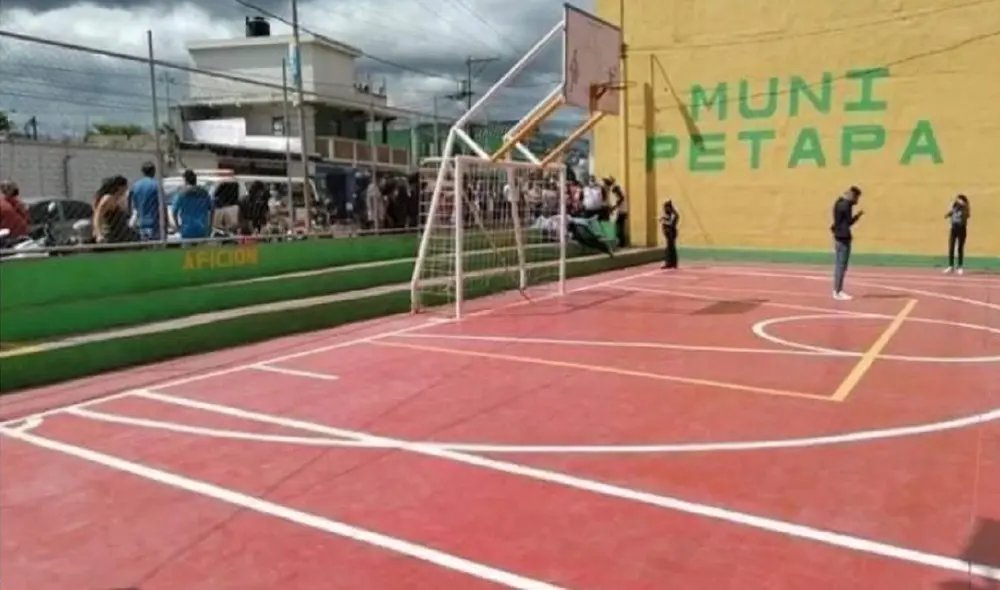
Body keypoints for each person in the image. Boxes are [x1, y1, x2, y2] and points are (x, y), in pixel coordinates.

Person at [830, 185, 864, 300]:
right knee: (841, 265)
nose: (857, 201)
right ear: (852, 196)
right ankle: (838, 291)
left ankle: (837, 290)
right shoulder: (846, 205)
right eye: (856, 198)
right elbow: (849, 222)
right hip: (843, 237)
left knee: (839, 265)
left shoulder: (838, 203)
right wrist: (858, 216)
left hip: (837, 236)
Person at [170, 169, 213, 240]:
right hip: (201, 229)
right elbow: (212, 209)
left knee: (187, 250)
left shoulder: (181, 194)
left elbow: (174, 211)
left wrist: (177, 227)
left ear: (186, 180)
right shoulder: (204, 193)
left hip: (187, 229)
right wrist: (210, 226)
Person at [129, 161, 163, 240]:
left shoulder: (135, 186)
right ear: (153, 171)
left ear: (142, 172)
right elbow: (161, 206)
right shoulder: (156, 185)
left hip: (141, 223)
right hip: (154, 223)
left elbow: (134, 207)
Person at [92, 175, 132, 243]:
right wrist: (99, 234)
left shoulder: (118, 199)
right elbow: (97, 216)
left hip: (120, 233)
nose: (127, 188)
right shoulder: (108, 199)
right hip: (110, 234)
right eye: (125, 186)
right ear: (120, 187)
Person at [943, 194, 970, 275]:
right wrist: (948, 214)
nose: (958, 201)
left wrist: (963, 207)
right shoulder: (955, 206)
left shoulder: (965, 208)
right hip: (953, 229)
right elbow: (950, 213)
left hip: (961, 229)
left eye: (960, 200)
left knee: (960, 248)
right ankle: (950, 266)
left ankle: (960, 266)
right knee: (951, 247)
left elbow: (967, 215)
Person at [606, 177, 629, 248]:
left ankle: (621, 243)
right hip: (621, 210)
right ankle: (621, 243)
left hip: (620, 211)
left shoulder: (615, 188)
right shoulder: (614, 187)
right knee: (619, 227)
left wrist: (614, 207)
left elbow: (621, 198)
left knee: (618, 227)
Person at [659, 200, 679, 269]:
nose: (665, 209)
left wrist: (664, 221)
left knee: (671, 248)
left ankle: (671, 263)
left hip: (671, 233)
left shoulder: (674, 214)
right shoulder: (669, 214)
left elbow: (671, 223)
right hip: (668, 233)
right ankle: (670, 263)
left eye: (666, 207)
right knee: (669, 248)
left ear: (669, 207)